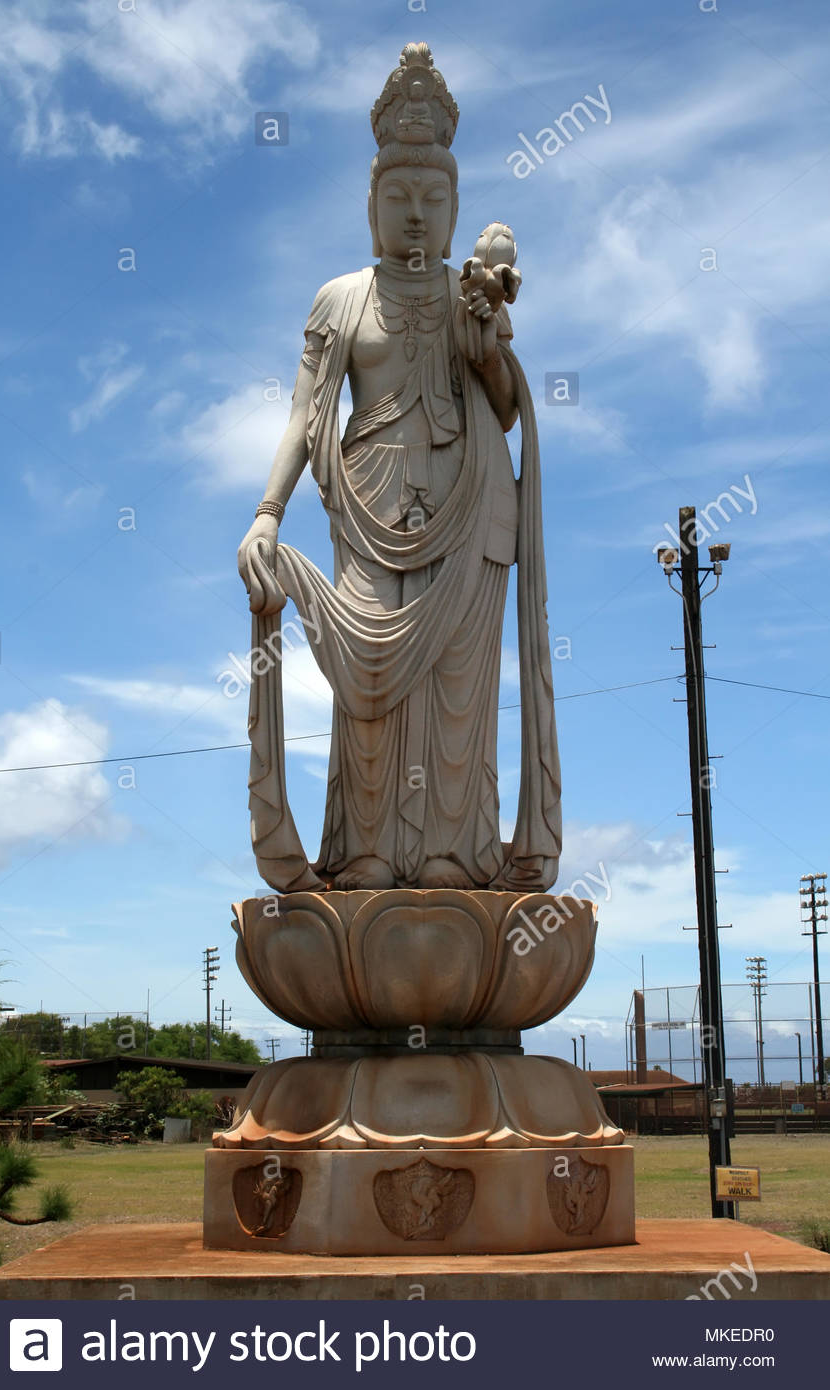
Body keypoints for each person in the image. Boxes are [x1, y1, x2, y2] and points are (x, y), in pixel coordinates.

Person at [237, 43, 560, 894]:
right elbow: (308, 417)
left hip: (467, 509)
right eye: (398, 197)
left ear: (453, 209)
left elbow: (496, 407)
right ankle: (369, 852)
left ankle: (456, 854)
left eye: (433, 197)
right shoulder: (341, 298)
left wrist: (487, 343)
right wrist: (268, 512)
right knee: (369, 690)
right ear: (371, 205)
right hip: (372, 507)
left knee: (460, 692)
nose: (416, 214)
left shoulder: (467, 293)